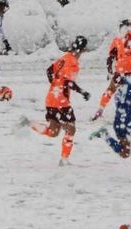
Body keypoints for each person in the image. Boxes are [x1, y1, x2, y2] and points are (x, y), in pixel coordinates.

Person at [89, 55, 131, 182]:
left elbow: (111, 91)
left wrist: (101, 108)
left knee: (125, 152)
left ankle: (104, 135)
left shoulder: (124, 78)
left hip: (119, 120)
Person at [29, 36, 91, 167]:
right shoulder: (73, 62)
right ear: (84, 49)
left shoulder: (64, 57)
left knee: (53, 131)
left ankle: (30, 124)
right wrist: (82, 92)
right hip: (61, 102)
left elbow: (49, 70)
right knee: (71, 129)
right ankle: (64, 159)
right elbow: (68, 82)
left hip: (51, 98)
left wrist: (55, 85)